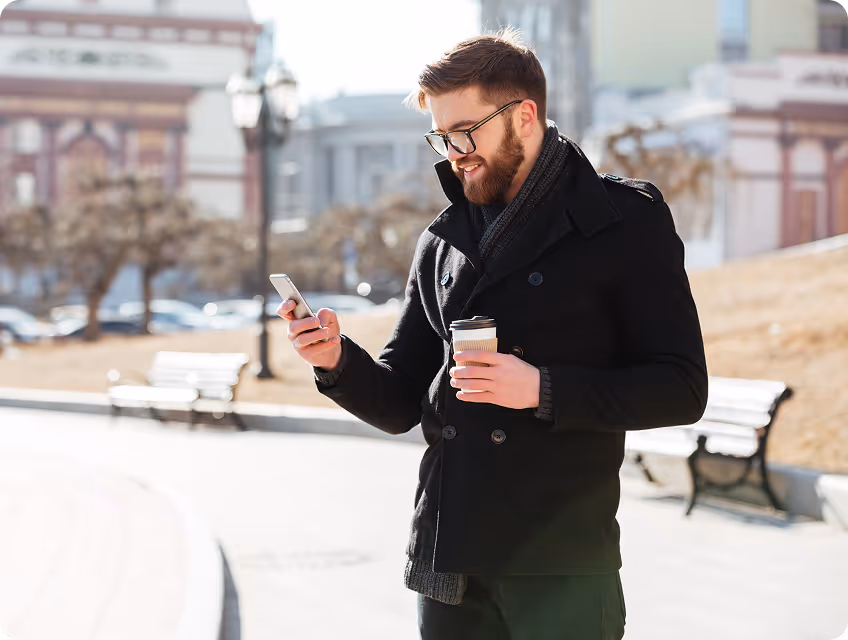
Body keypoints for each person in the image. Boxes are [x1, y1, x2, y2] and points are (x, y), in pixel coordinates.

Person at [278, 29, 708, 640]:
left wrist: (542, 389)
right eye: (441, 135)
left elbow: (681, 387)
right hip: (449, 562)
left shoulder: (623, 222)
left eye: (465, 131)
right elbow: (401, 401)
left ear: (525, 115)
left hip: (560, 569)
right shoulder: (442, 241)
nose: (453, 152)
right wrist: (336, 361)